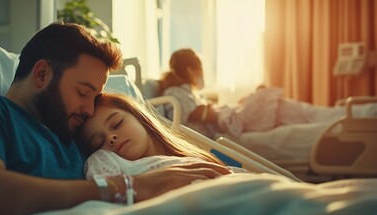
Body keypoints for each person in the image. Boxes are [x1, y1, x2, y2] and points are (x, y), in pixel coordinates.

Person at [0, 23, 230, 215]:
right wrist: (126, 188)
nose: (89, 108)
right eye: (83, 93)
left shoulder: (76, 136)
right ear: (42, 74)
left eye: (95, 97)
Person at [159, 48, 377, 138]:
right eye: (200, 69)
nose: (202, 75)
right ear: (190, 69)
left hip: (237, 118)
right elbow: (202, 114)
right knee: (307, 116)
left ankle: (364, 113)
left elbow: (208, 112)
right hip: (234, 125)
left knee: (307, 114)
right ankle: (365, 114)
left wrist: (240, 104)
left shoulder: (182, 92)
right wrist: (235, 108)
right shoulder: (174, 94)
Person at [76, 93, 246, 179]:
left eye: (117, 123)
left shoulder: (187, 157)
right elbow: (106, 189)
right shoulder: (104, 159)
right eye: (98, 142)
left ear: (139, 117)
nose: (110, 138)